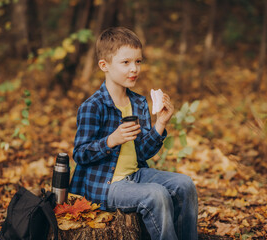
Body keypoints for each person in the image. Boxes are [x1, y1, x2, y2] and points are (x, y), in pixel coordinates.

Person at [69, 27, 198, 240]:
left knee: (185, 184)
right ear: (105, 65)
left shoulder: (138, 102)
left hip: (135, 175)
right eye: (126, 62)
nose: (134, 69)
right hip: (106, 186)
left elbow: (142, 153)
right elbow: (80, 154)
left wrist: (160, 125)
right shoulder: (93, 106)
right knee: (156, 195)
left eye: (138, 61)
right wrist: (111, 140)